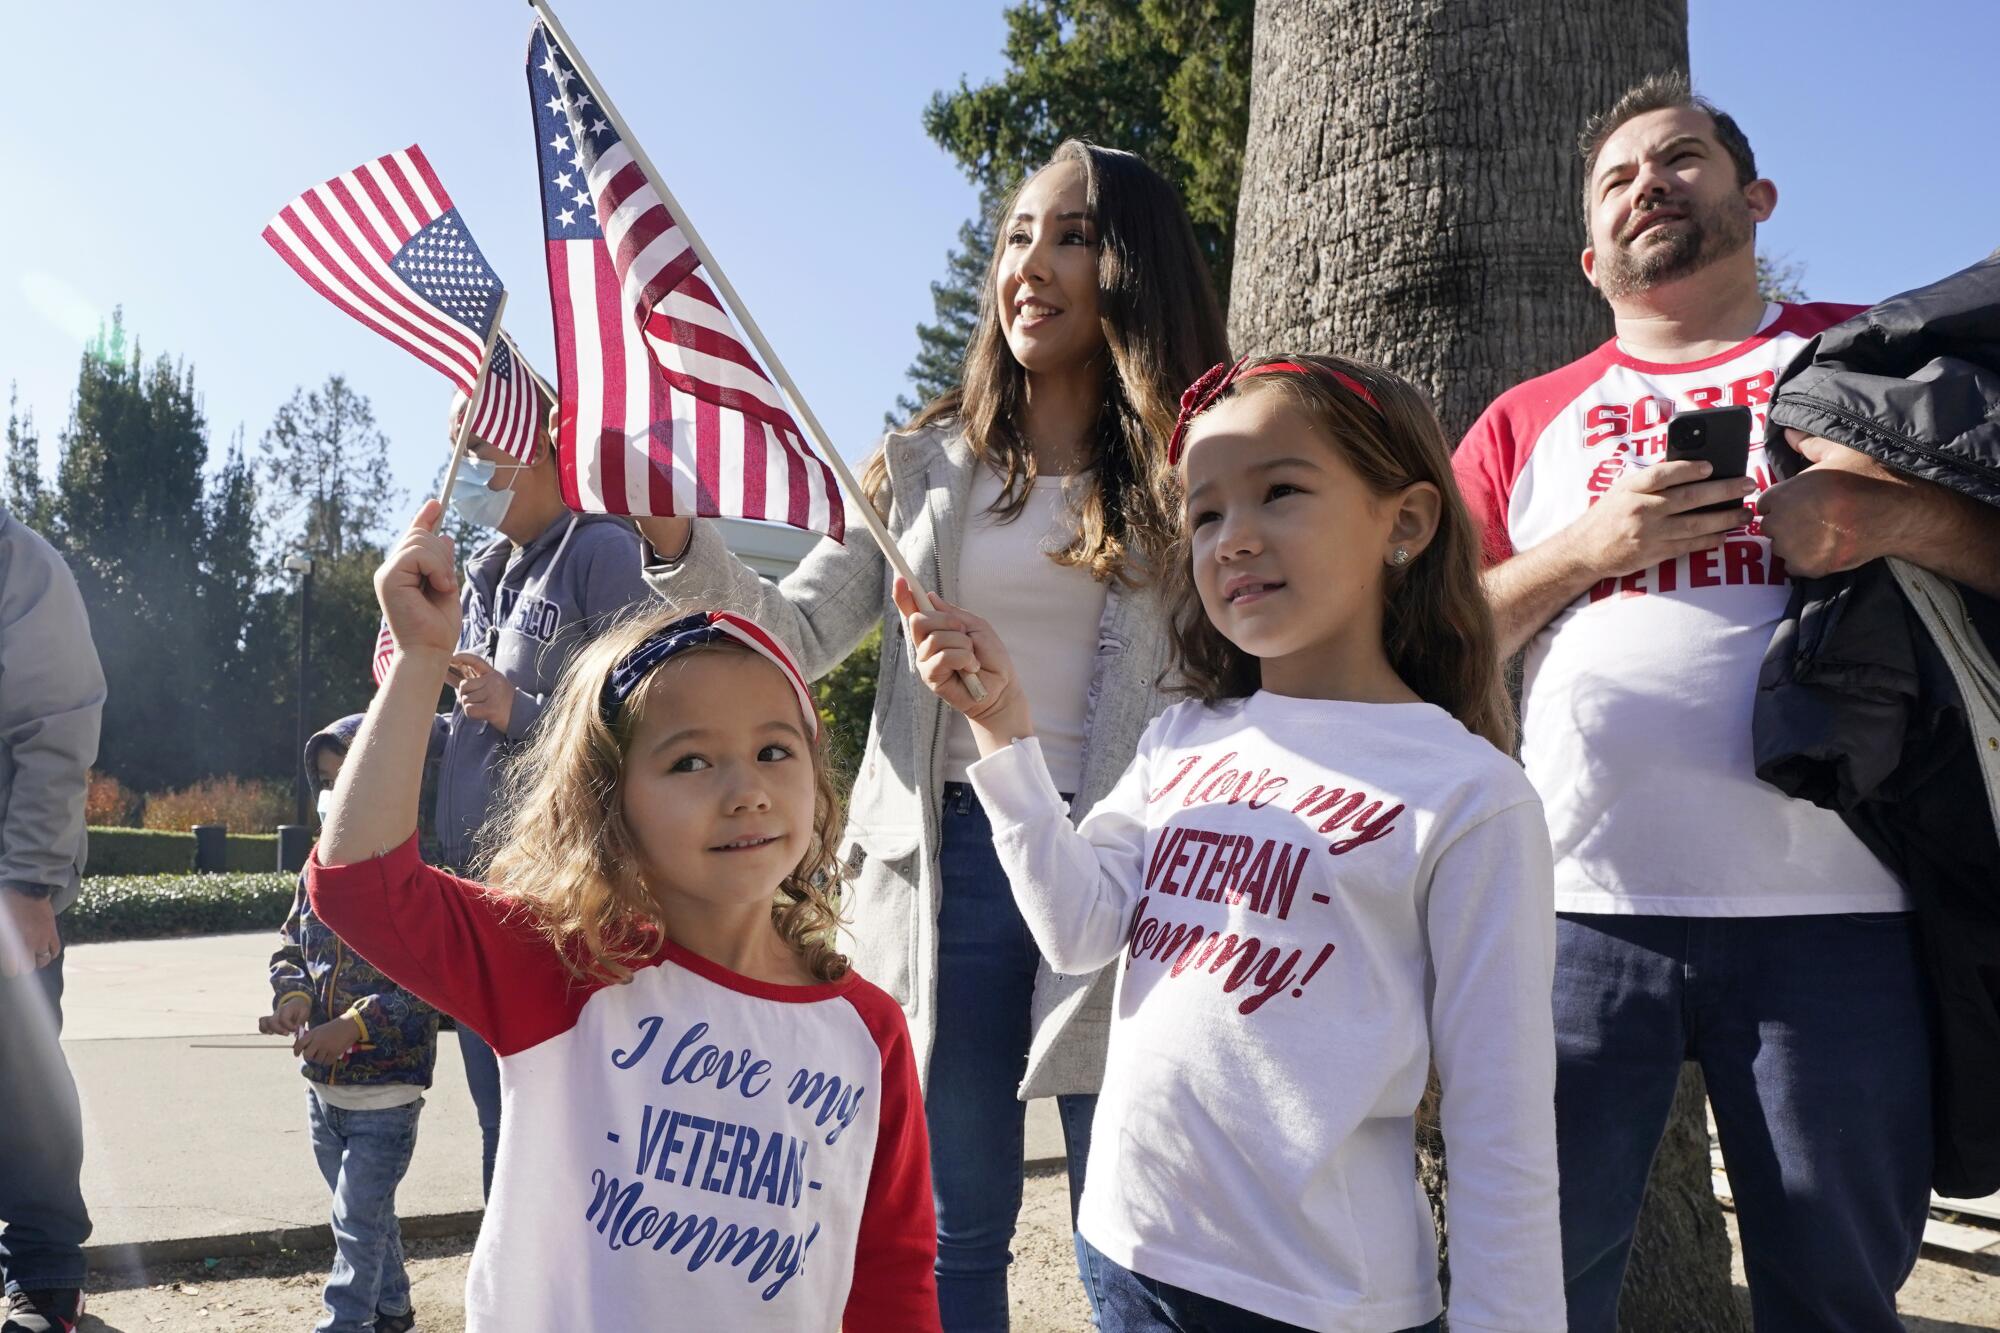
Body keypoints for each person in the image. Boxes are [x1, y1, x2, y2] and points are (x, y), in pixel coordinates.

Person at [634, 139, 1231, 1328]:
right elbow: (789, 634)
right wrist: (672, 540)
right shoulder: (918, 463)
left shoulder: (1199, 464)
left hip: (1138, 864)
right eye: (1016, 235)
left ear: (1132, 265)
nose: (1030, 262)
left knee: (1137, 1215)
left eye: (1069, 235)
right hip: (950, 865)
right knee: (953, 1221)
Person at [1449, 72, 2000, 1331]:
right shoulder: (1522, 421)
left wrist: (1888, 516)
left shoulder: (1874, 360)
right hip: (1573, 917)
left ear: (1753, 198)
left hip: (1844, 919)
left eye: (1681, 158)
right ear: (1588, 256)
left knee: (1832, 1299)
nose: (1650, 181)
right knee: (1529, 1287)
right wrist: (1586, 550)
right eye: (1618, 176)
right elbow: (1430, 647)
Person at [901, 355, 1563, 1332]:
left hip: (1318, 1300)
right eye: (1203, 513)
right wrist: (1004, 729)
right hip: (1125, 1253)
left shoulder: (1472, 797)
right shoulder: (1181, 737)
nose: (1233, 537)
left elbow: (1499, 1132)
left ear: (1407, 521)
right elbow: (1078, 930)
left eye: (1280, 490)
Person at [308, 501, 941, 1330]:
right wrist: (421, 658)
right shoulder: (560, 967)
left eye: (774, 750)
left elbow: (891, 1277)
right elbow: (360, 882)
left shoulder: (869, 1029)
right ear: (610, 805)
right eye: (689, 759)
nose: (746, 787)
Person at [435, 390, 653, 1200]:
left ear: (531, 449)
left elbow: (642, 712)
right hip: (478, 880)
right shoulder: (491, 571)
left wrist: (517, 709)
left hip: (554, 888)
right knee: (501, 1118)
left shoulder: (603, 551)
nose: (461, 474)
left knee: (553, 1122)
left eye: (472, 451)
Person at [266, 718, 440, 1333]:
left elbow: (427, 984)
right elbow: (292, 946)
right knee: (365, 1215)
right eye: (324, 781)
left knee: (357, 1221)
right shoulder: (314, 870)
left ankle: (347, 1323)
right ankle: (392, 1309)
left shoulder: (415, 878)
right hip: (322, 1093)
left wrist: (354, 1025)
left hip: (386, 1097)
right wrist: (293, 998)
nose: (334, 794)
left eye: (351, 779)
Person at [0, 507, 105, 1333]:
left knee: (23, 1085)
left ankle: (45, 1274)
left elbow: (56, 724)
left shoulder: (19, 565)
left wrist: (27, 882)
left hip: (5, 887)